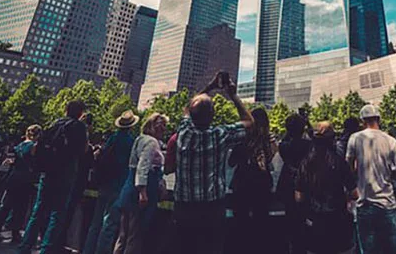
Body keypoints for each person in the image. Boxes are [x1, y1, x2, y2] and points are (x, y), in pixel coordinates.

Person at [172, 73, 252, 254]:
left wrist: (210, 87)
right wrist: (233, 95)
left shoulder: (183, 132)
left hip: (184, 208)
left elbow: (187, 109)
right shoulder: (219, 135)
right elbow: (249, 122)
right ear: (213, 115)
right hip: (211, 209)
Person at [17, 99, 88, 254]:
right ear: (81, 112)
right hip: (66, 173)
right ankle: (46, 248)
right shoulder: (79, 127)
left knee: (38, 211)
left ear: (65, 110)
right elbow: (83, 151)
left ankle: (24, 246)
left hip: (48, 172)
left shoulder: (55, 123)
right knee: (57, 213)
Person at [84, 110, 139, 254]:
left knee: (95, 223)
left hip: (104, 183)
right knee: (109, 224)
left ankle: (88, 250)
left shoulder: (112, 138)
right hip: (119, 185)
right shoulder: (131, 142)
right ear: (131, 126)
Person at [296, 122, 356, 253]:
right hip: (338, 221)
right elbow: (355, 193)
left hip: (315, 221)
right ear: (332, 140)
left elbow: (299, 197)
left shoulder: (305, 163)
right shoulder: (339, 162)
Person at [348, 104, 396, 254]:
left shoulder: (355, 138)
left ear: (363, 121)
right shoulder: (391, 140)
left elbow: (349, 167)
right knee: (392, 249)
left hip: (364, 202)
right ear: (379, 119)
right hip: (387, 202)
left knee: (369, 249)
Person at [112, 113, 166, 254]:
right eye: (160, 124)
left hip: (128, 190)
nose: (163, 128)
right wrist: (143, 192)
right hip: (141, 193)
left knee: (123, 235)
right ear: (151, 125)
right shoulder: (151, 143)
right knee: (135, 237)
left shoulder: (139, 139)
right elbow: (143, 166)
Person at [229, 108, 275, 254]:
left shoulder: (243, 140)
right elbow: (270, 160)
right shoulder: (269, 140)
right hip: (262, 185)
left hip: (242, 184)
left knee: (240, 222)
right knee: (261, 222)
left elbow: (231, 162)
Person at [0, 124, 40, 244]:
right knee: (20, 208)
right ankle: (15, 233)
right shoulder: (34, 146)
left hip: (13, 178)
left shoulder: (19, 146)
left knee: (6, 205)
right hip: (25, 180)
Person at [276, 114, 311, 254]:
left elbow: (285, 140)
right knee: (304, 217)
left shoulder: (284, 146)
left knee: (290, 217)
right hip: (305, 184)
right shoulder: (309, 146)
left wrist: (289, 131)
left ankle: (291, 247)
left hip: (288, 184)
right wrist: (306, 126)